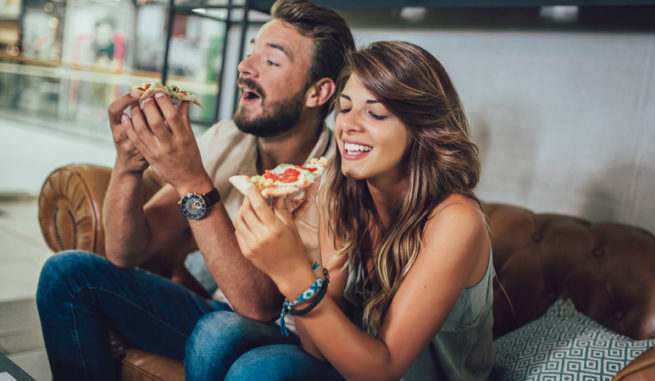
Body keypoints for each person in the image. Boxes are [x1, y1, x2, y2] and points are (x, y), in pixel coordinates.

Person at [35, 0, 354, 380]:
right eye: (251, 50)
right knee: (66, 273)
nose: (244, 66)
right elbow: (126, 251)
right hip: (220, 313)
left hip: (296, 334)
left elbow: (260, 306)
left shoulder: (338, 173)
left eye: (271, 61)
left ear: (318, 93)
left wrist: (191, 182)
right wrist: (127, 165)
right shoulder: (227, 138)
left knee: (220, 330)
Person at [212, 40, 496, 380]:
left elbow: (383, 370)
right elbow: (317, 348)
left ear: (423, 129)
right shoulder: (340, 195)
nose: (349, 125)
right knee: (216, 334)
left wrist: (290, 271)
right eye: (345, 109)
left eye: (375, 113)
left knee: (255, 371)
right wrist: (297, 253)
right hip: (349, 366)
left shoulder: (456, 222)